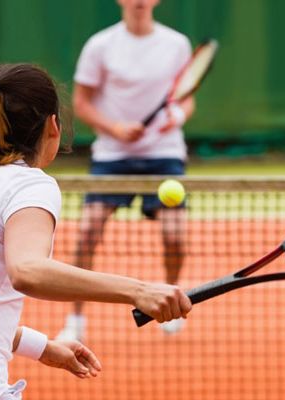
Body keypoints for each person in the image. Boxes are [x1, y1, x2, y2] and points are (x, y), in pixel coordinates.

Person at [0, 63, 192, 400]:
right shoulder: (29, 184)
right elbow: (27, 270)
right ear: (53, 124)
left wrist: (42, 347)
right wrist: (139, 290)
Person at [56, 0, 195, 341]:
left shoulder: (176, 44)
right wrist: (115, 128)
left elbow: (186, 97)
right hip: (112, 156)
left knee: (175, 237)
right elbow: (82, 102)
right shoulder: (100, 45)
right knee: (87, 234)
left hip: (164, 155)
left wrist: (176, 118)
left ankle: (171, 301)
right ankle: (75, 320)